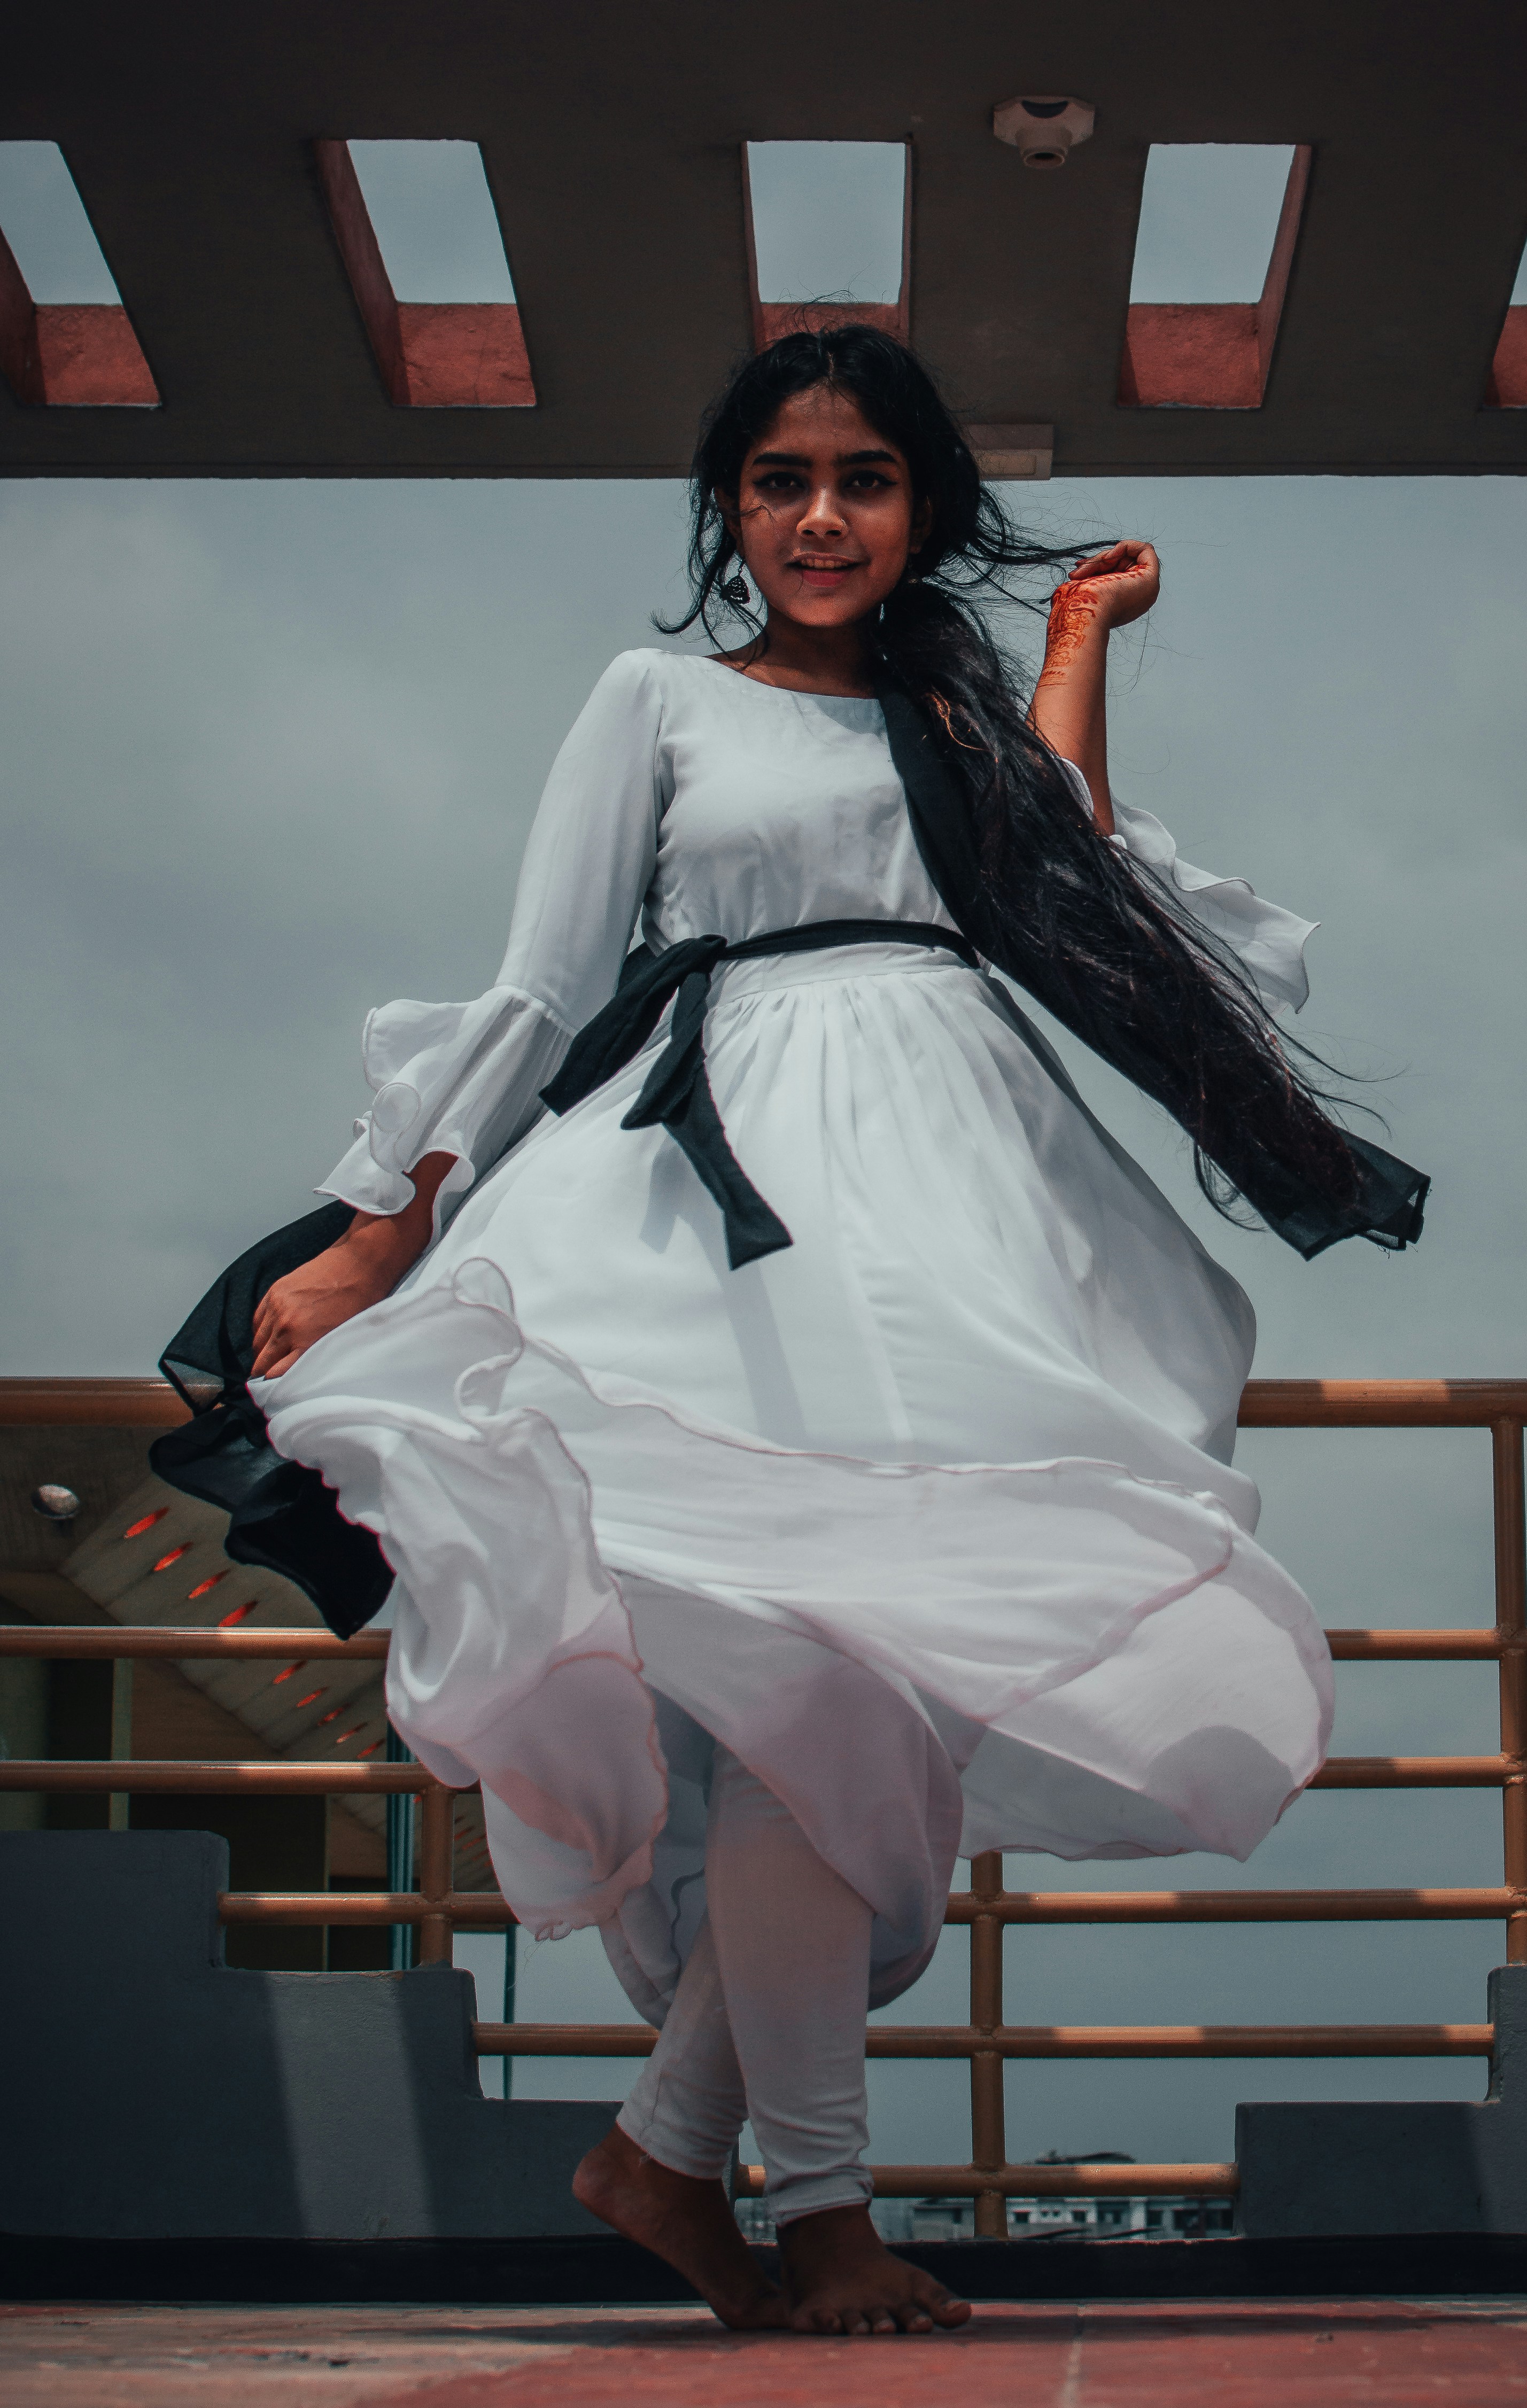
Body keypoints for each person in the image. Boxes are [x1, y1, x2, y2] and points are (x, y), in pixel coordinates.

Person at [158, 328, 1427, 2336]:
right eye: (778, 479)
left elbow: (1076, 868)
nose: (820, 515)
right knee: (790, 1682)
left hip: (959, 1206)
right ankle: (788, 2202)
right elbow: (547, 971)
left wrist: (1075, 643)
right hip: (722, 1201)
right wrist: (380, 1225)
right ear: (728, 509)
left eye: (862, 478)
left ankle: (680, 2157)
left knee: (873, 1693)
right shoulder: (654, 695)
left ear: (921, 509)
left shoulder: (948, 704)